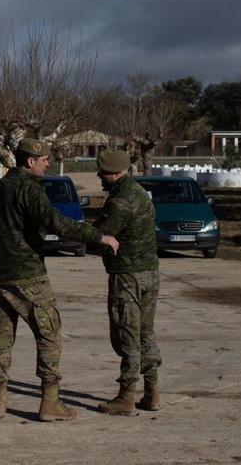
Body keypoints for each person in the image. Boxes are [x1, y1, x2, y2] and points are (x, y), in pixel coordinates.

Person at [0, 138, 120, 421]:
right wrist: (97, 236)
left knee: (3, 334)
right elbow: (55, 221)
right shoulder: (30, 189)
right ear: (30, 161)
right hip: (28, 273)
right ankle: (50, 402)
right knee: (49, 332)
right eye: (44, 161)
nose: (47, 165)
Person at [92, 150, 162, 416]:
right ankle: (152, 392)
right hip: (149, 273)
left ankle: (126, 397)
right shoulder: (139, 193)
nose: (100, 175)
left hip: (128, 276)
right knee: (145, 333)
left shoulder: (121, 200)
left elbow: (100, 233)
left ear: (117, 172)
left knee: (127, 334)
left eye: (103, 172)